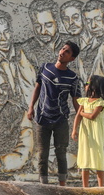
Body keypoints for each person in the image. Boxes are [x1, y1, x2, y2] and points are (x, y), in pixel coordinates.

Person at [26, 42, 82, 185]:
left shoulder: (72, 78)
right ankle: (44, 185)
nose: (63, 52)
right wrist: (31, 107)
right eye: (63, 48)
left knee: (61, 153)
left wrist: (81, 120)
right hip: (42, 118)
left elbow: (76, 102)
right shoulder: (45, 68)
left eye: (67, 51)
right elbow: (37, 88)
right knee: (42, 153)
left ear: (72, 58)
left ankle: (62, 186)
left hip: (61, 121)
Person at [71, 74, 104, 187]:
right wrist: (74, 130)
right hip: (85, 133)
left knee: (97, 156)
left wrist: (81, 113)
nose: (85, 86)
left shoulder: (100, 102)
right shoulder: (84, 101)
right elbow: (77, 117)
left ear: (93, 86)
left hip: (95, 133)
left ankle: (101, 187)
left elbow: (92, 116)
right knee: (85, 156)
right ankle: (85, 187)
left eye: (87, 84)